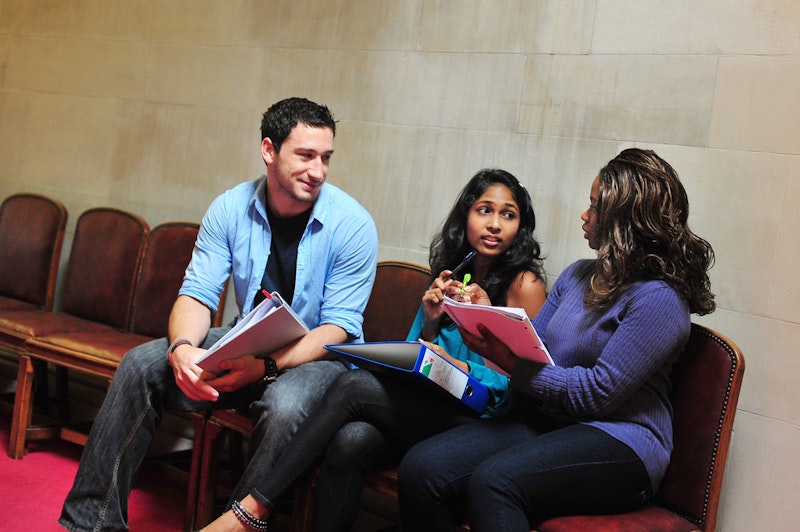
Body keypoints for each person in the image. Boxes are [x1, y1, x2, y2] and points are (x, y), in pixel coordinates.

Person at [59, 97, 379, 532]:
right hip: (248, 338)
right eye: (305, 155)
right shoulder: (230, 208)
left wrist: (262, 367)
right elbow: (197, 294)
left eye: (326, 158)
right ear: (269, 150)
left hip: (318, 358)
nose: (318, 171)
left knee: (283, 406)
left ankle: (233, 525)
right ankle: (89, 525)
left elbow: (338, 328)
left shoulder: (353, 225)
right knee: (140, 365)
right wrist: (183, 348)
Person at [200, 168, 547, 531]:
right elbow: (417, 359)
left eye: (508, 215)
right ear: (466, 216)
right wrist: (430, 321)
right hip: (435, 407)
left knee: (355, 385)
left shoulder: (524, 284)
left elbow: (529, 383)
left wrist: (463, 362)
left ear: (520, 227)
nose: (494, 224)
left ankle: (253, 509)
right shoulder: (450, 276)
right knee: (349, 441)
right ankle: (257, 510)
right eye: (484, 210)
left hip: (485, 422)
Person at [397, 148, 717, 531]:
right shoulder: (577, 275)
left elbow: (598, 393)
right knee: (421, 468)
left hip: (623, 442)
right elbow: (536, 348)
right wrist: (488, 319)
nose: (585, 215)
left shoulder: (659, 299)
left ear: (623, 220)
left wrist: (515, 366)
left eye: (595, 206)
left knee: (496, 482)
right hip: (551, 422)